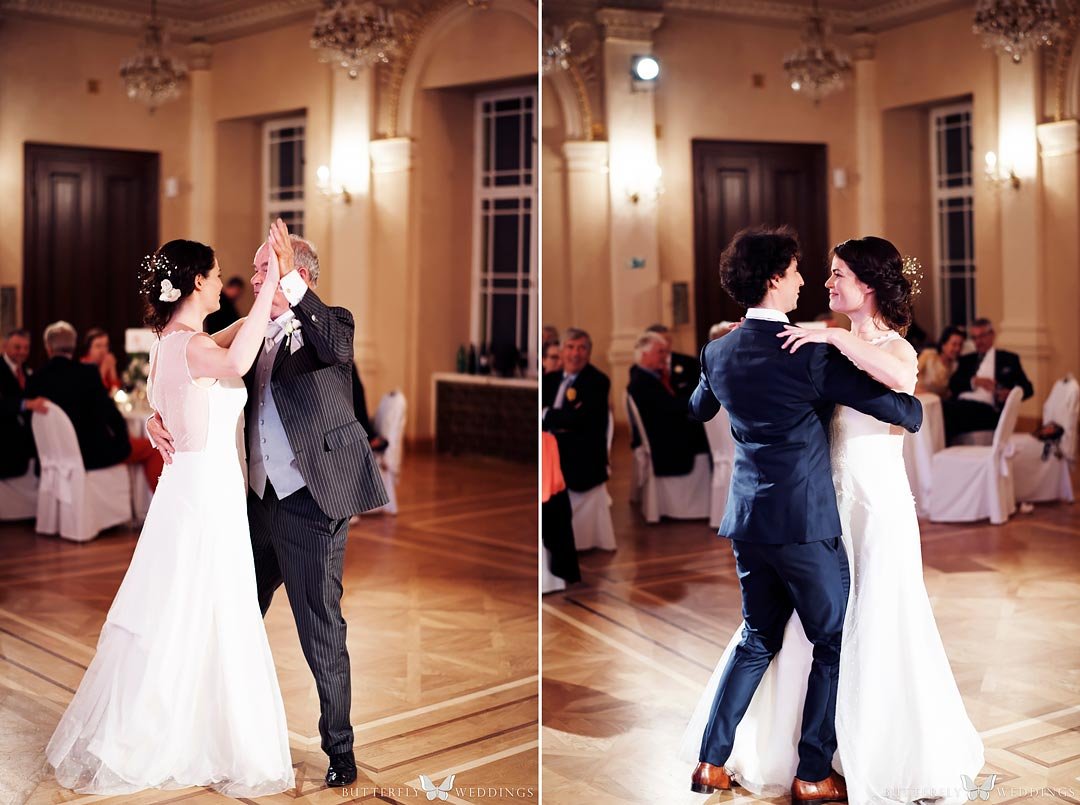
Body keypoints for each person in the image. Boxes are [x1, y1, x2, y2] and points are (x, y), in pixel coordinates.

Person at [682, 231, 983, 804]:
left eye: (832, 273)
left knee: (759, 636)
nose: (811, 281)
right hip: (809, 517)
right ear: (775, 278)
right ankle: (813, 770)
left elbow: (698, 408)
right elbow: (901, 407)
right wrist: (898, 400)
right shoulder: (810, 352)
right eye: (801, 271)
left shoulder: (719, 350)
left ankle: (709, 762)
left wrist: (741, 354)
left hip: (752, 519)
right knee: (833, 637)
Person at [46, 229, 294, 796]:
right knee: (204, 603)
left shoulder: (172, 343)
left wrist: (267, 307)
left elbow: (227, 341)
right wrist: (271, 285)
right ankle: (189, 733)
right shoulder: (193, 348)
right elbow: (237, 359)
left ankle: (184, 722)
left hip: (191, 489)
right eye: (216, 274)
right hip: (205, 494)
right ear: (198, 282)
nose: (221, 283)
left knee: (185, 604)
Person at [148, 226, 388, 788]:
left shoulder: (332, 325)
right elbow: (187, 371)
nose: (254, 279)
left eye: (264, 269)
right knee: (233, 614)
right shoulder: (249, 334)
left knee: (320, 628)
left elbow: (338, 349)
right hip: (253, 505)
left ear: (294, 275)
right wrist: (157, 416)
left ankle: (340, 748)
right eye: (257, 270)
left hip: (311, 504)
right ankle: (214, 728)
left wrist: (290, 285)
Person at [27, 321, 164, 492]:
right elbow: (111, 415)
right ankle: (159, 505)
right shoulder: (87, 373)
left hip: (52, 459)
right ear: (74, 346)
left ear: (48, 347)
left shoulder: (35, 379)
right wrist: (122, 443)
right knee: (153, 449)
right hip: (92, 454)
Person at [627, 331, 709, 476]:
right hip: (668, 447)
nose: (665, 356)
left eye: (665, 352)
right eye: (660, 352)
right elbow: (670, 407)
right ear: (644, 354)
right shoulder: (642, 382)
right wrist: (700, 399)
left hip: (669, 436)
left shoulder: (649, 376)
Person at [541, 328, 611, 496]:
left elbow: (577, 420)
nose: (575, 354)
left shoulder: (597, 381)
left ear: (589, 353)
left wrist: (546, 414)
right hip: (547, 456)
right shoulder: (549, 380)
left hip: (580, 460)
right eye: (570, 347)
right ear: (561, 351)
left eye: (582, 348)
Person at [944, 317, 1034, 439]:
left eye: (982, 336)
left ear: (992, 335)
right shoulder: (967, 360)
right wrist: (974, 381)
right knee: (942, 409)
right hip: (960, 404)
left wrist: (1010, 393)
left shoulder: (1008, 359)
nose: (978, 342)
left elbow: (1028, 388)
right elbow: (953, 384)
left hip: (988, 409)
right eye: (974, 338)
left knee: (948, 413)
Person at [0, 328, 47, 479]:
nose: (22, 352)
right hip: (4, 451)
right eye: (17, 347)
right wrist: (25, 404)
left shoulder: (27, 370)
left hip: (24, 453)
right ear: (5, 346)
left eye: (26, 348)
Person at [644, 323, 698, 400]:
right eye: (659, 341)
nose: (665, 344)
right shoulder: (644, 367)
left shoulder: (689, 362)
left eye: (667, 339)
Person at [916, 325, 966, 398]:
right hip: (918, 398)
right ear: (943, 345)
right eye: (954, 344)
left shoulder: (956, 366)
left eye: (960, 345)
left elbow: (948, 393)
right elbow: (909, 377)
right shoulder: (928, 355)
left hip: (937, 402)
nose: (957, 349)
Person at [80, 327, 122, 394]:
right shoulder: (83, 366)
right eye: (98, 346)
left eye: (106, 345)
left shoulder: (106, 362)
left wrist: (112, 369)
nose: (103, 350)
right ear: (88, 348)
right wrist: (103, 369)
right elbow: (92, 392)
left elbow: (117, 393)